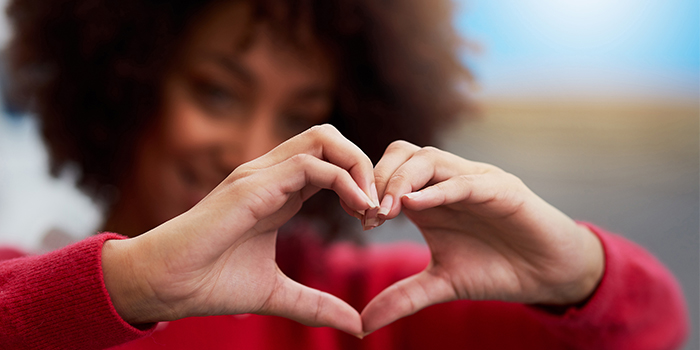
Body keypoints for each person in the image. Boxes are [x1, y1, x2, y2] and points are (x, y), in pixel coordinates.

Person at [0, 0, 689, 349]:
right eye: (217, 92)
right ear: (126, 84)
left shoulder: (367, 308)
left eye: (303, 117)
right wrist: (136, 282)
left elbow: (652, 328)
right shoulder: (38, 299)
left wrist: (574, 268)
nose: (251, 153)